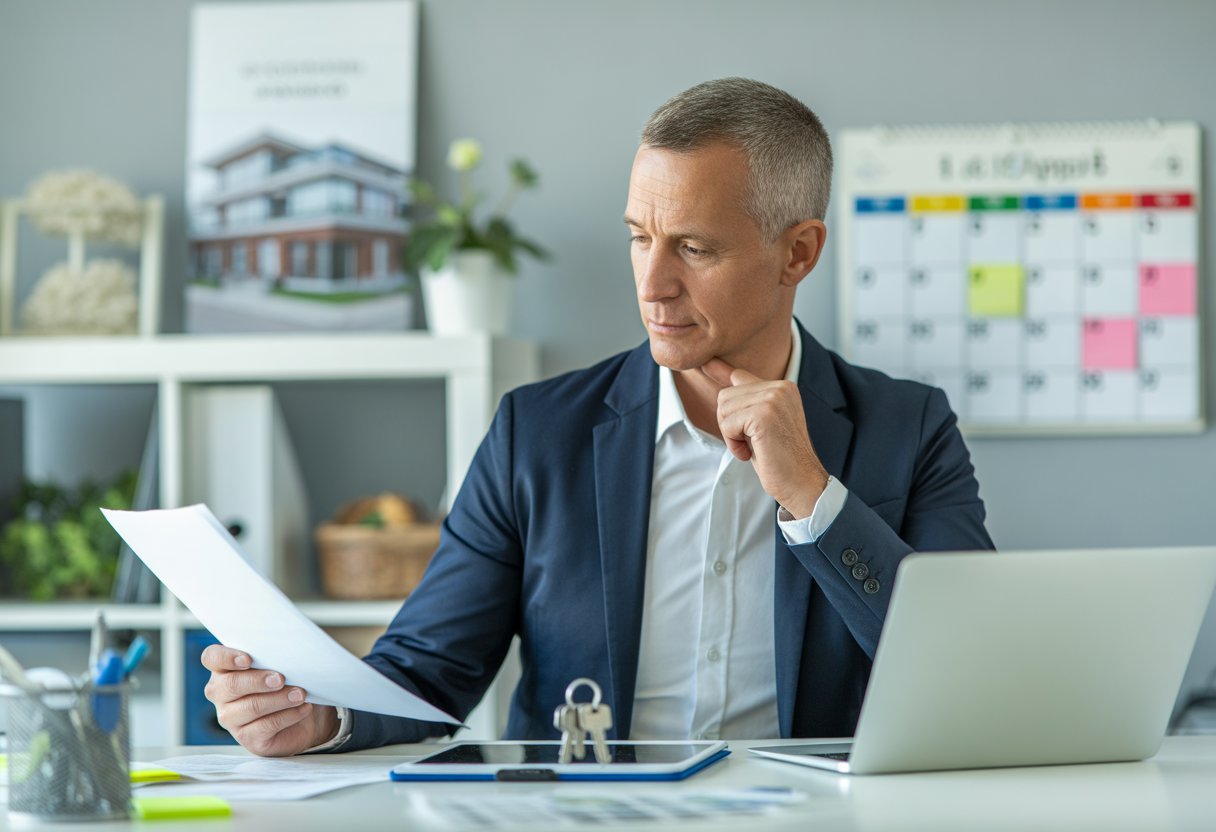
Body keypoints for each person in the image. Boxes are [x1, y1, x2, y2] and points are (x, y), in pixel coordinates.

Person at [203, 77, 994, 756]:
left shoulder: (909, 429)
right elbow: (426, 670)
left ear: (798, 253)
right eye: (638, 237)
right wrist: (321, 716)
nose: (652, 284)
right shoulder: (534, 433)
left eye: (693, 248)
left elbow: (969, 670)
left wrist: (816, 499)